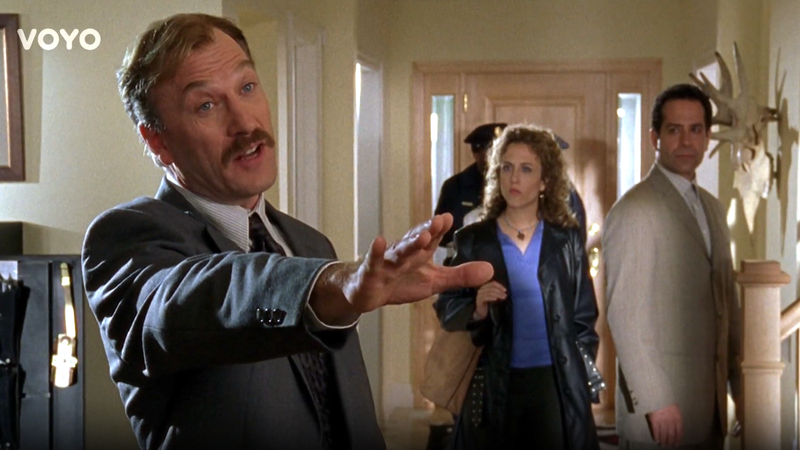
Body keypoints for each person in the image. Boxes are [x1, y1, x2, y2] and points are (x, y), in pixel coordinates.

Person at [81, 13, 493, 450]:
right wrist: (331, 286)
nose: (245, 123)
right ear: (157, 142)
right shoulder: (126, 239)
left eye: (247, 87)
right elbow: (198, 304)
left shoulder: (310, 244)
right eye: (206, 106)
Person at [434, 124, 600, 450]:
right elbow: (446, 305)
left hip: (555, 385)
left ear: (545, 180)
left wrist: (579, 375)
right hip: (493, 383)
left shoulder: (565, 240)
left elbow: (584, 317)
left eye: (526, 169)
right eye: (507, 167)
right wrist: (477, 308)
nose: (514, 178)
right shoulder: (473, 240)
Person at [602, 83, 742, 450]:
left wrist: (741, 388)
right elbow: (626, 315)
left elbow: (727, 306)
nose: (686, 141)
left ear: (707, 138)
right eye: (674, 130)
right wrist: (655, 399)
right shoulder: (636, 210)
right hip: (661, 414)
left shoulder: (713, 210)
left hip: (709, 407)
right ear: (655, 138)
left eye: (695, 129)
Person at [435, 123, 506, 250]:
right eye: (494, 151)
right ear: (476, 152)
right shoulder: (455, 186)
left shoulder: (518, 183)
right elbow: (440, 235)